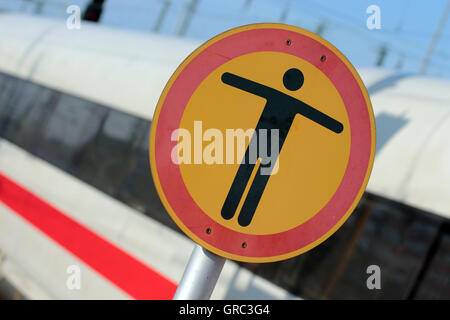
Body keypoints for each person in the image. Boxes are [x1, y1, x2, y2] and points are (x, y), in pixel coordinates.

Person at [220, 68, 343, 227]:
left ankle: (231, 212)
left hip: (262, 139)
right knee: (257, 179)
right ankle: (240, 216)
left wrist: (226, 76)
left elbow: (243, 83)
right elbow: (325, 120)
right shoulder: (295, 103)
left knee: (248, 175)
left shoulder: (274, 94)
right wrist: (339, 127)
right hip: (272, 144)